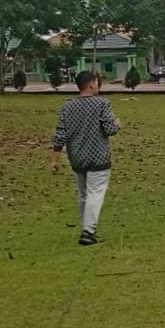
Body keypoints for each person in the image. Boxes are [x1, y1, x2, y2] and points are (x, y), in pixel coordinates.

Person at [50, 69, 122, 245]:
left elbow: (60, 135)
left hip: (77, 157)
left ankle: (86, 228)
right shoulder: (102, 104)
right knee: (95, 193)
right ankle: (88, 232)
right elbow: (109, 129)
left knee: (83, 194)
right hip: (98, 157)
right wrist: (117, 125)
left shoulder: (67, 106)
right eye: (97, 83)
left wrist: (54, 159)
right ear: (91, 84)